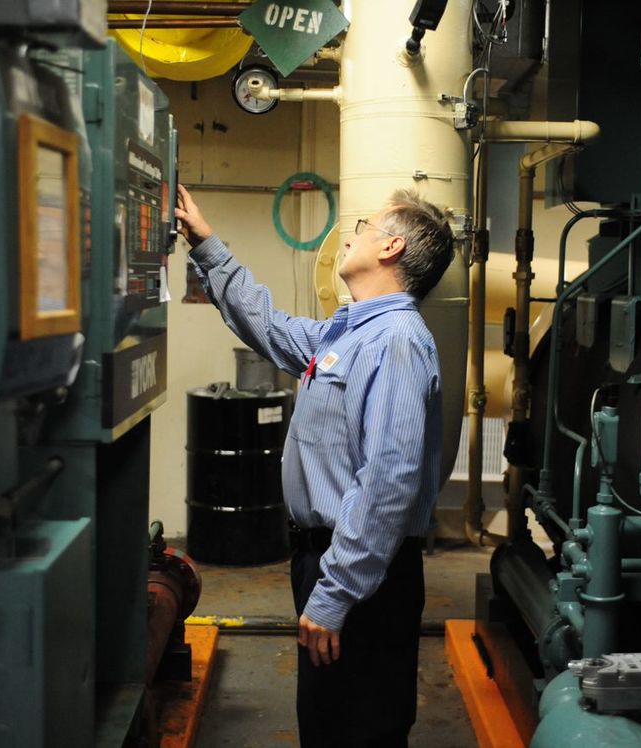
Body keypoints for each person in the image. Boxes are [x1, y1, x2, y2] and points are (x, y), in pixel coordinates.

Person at [175, 184, 454, 747]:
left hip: (364, 575)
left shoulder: (396, 341)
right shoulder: (350, 332)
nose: (350, 237)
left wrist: (337, 591)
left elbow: (389, 483)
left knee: (357, 731)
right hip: (331, 560)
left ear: (392, 247)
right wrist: (207, 246)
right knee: (327, 724)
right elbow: (269, 326)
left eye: (364, 228)